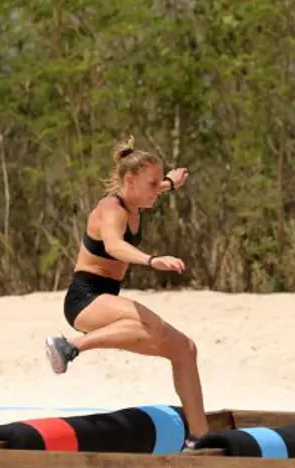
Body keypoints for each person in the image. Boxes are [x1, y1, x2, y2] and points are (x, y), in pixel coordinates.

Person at [44, 135, 208, 446]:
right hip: (85, 299)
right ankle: (70, 347)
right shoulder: (111, 208)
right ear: (129, 180)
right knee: (152, 325)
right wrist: (152, 260)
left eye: (159, 182)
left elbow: (156, 188)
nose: (157, 190)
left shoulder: (138, 197)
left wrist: (170, 183)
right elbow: (114, 245)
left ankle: (199, 438)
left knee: (185, 349)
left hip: (108, 298)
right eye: (152, 184)